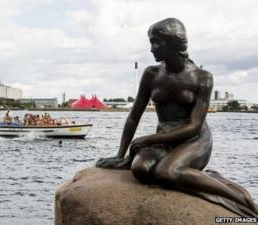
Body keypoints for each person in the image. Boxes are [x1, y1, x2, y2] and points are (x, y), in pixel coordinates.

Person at [96, 18, 257, 216]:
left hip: (194, 140)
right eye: (151, 42)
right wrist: (120, 156)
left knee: (166, 172)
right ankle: (202, 177)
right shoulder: (151, 74)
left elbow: (194, 126)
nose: (152, 48)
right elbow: (133, 116)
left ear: (173, 43)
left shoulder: (203, 77)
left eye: (156, 42)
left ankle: (241, 199)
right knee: (141, 169)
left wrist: (150, 139)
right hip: (164, 138)